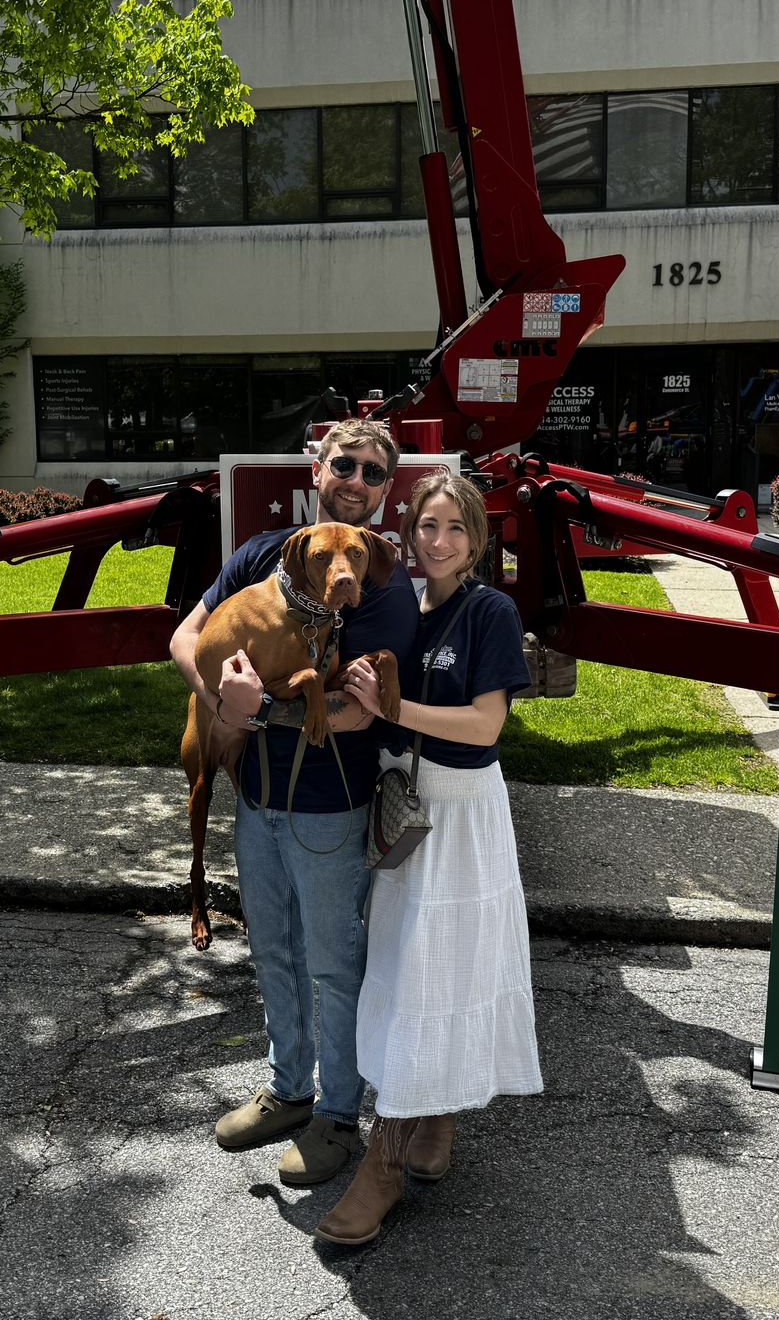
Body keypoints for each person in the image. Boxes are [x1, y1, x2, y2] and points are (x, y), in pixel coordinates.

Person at [169, 419, 419, 1188]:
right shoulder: (263, 555)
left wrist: (257, 711)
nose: (356, 479)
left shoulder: (380, 583)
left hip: (327, 804)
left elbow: (359, 713)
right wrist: (222, 700)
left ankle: (338, 1116)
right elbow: (186, 637)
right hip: (256, 797)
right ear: (317, 469)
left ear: (386, 490)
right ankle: (288, 1089)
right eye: (345, 463)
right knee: (273, 950)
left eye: (374, 472)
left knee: (333, 966)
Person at [314, 471, 541, 1246]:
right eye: (426, 526)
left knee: (432, 976)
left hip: (462, 814)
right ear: (408, 535)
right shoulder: (408, 609)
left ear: (476, 541)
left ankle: (383, 1165)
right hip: (405, 811)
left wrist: (394, 706)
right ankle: (434, 1113)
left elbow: (485, 726)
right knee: (413, 970)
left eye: (454, 528)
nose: (438, 541)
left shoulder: (489, 611)